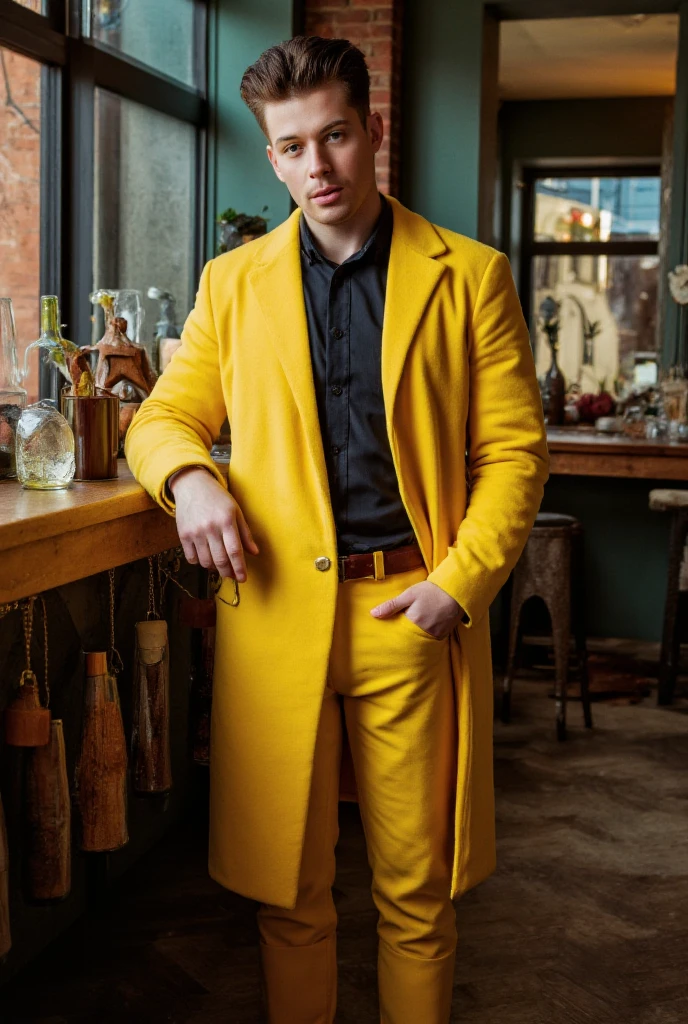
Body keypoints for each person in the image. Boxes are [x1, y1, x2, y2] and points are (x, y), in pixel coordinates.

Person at [125, 34, 549, 1024]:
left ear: (373, 132)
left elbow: (515, 457)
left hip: (412, 611)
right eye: (291, 147)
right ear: (270, 156)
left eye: (336, 137)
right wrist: (190, 481)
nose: (316, 167)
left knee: (417, 895)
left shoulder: (471, 278)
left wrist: (457, 584)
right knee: (288, 892)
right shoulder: (232, 288)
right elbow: (161, 419)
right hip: (277, 620)